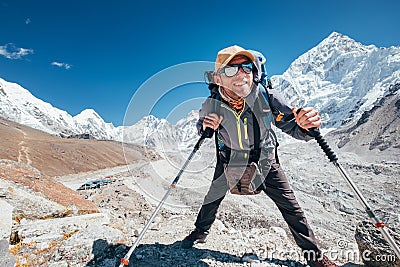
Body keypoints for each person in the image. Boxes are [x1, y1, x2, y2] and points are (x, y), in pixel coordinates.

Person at [181, 45, 339, 267]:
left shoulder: (268, 97)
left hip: (266, 159)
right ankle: (200, 231)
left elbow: (293, 127)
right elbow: (202, 127)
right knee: (212, 198)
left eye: (246, 67)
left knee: (291, 208)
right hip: (229, 158)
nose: (240, 74)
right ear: (218, 78)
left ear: (254, 72)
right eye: (230, 70)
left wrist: (304, 126)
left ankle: (314, 256)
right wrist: (206, 126)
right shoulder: (211, 104)